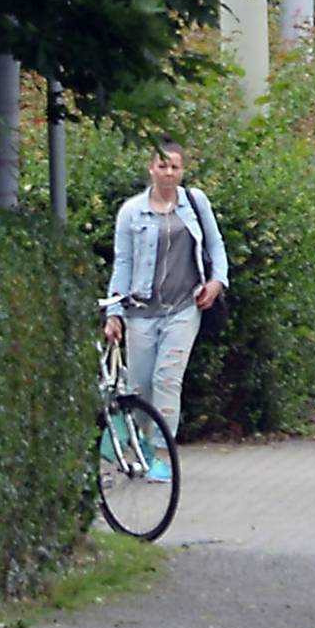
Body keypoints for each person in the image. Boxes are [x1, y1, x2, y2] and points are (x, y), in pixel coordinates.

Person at [103, 140, 229, 470]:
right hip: (141, 311)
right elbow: (123, 263)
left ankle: (163, 454)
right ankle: (142, 443)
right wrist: (113, 312)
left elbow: (216, 246)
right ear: (151, 169)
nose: (169, 172)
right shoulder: (132, 211)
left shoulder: (195, 203)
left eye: (175, 166)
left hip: (184, 308)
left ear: (182, 170)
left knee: (167, 379)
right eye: (163, 166)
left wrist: (217, 282)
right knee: (140, 385)